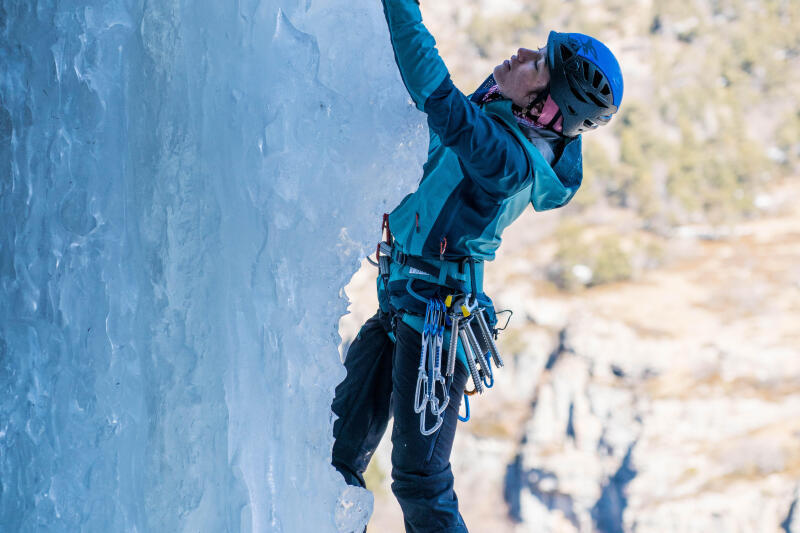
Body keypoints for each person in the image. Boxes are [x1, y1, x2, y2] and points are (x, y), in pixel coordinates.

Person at [331, 0, 624, 531]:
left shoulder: (505, 159)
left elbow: (434, 93)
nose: (522, 53)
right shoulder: (504, 125)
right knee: (338, 451)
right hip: (409, 306)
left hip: (434, 327)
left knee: (420, 481)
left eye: (538, 63)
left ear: (547, 107)